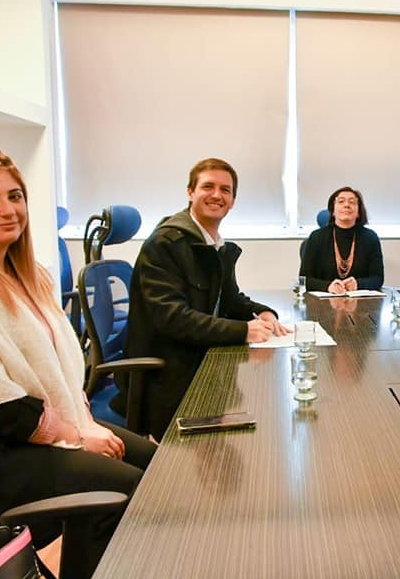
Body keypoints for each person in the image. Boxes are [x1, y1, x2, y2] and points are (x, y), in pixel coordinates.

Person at [0, 144, 156, 579]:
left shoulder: (23, 274)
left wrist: (82, 426)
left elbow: (60, 369)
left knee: (160, 468)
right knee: (127, 488)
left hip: (43, 432)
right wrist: (78, 438)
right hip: (0, 457)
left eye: (15, 196)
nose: (8, 209)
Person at [119, 157, 289, 439]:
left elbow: (231, 300)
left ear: (232, 201)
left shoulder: (212, 244)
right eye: (208, 186)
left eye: (225, 190)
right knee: (260, 421)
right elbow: (172, 318)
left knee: (268, 410)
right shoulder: (166, 244)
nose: (216, 195)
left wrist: (264, 313)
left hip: (201, 358)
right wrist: (243, 330)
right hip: (170, 374)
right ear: (190, 192)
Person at [299, 186, 384, 293]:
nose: (347, 205)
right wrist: (328, 286)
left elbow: (378, 278)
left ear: (358, 212)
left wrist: (358, 284)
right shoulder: (316, 237)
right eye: (341, 201)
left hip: (360, 300)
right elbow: (304, 279)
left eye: (352, 202)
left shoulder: (370, 238)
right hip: (323, 301)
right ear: (333, 211)